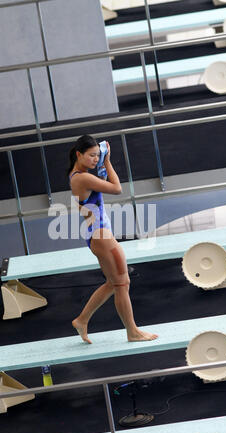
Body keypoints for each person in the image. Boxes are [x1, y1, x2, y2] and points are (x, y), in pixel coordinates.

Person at [68, 134, 158, 344]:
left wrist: (101, 161)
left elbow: (99, 186)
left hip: (95, 235)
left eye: (97, 156)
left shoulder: (75, 175)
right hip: (102, 236)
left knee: (112, 283)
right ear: (78, 154)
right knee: (122, 283)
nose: (94, 159)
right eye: (91, 156)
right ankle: (132, 332)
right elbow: (117, 188)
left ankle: (82, 320)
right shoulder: (83, 178)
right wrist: (107, 161)